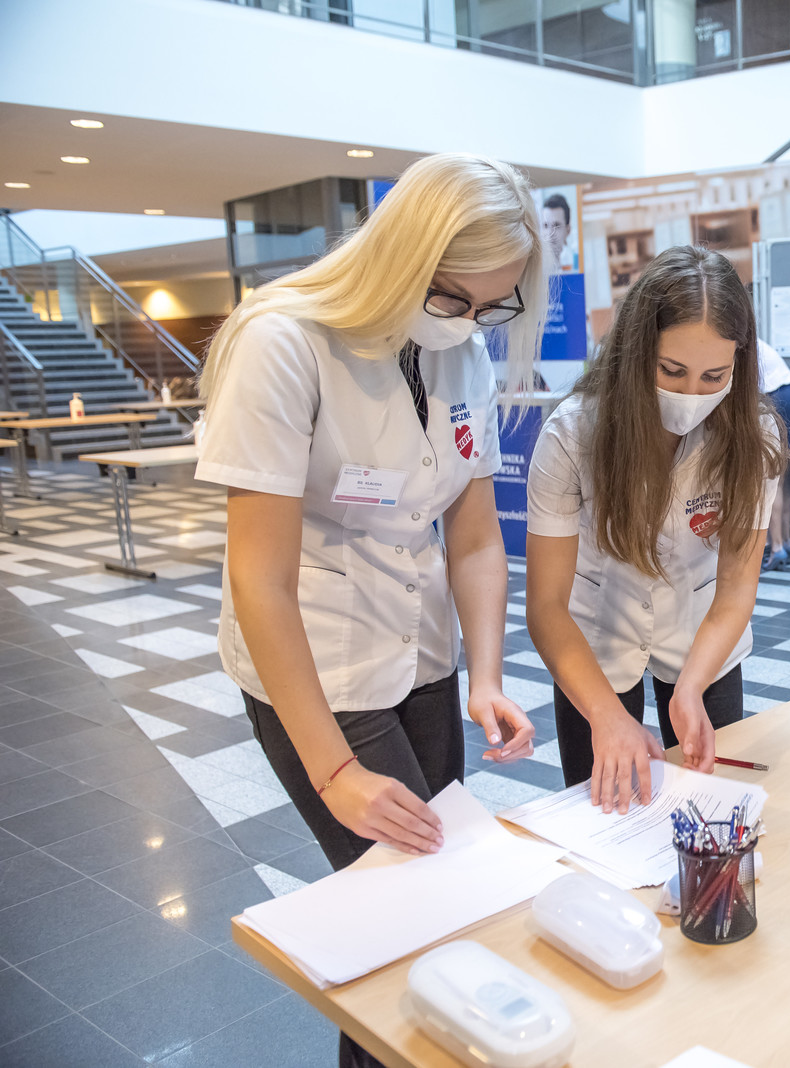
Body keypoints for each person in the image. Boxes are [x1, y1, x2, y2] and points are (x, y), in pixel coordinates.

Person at [197, 153, 546, 1068]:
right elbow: (258, 579)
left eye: (492, 306)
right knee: (406, 925)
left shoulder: (462, 351)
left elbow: (475, 535)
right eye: (452, 296)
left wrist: (487, 676)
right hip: (318, 660)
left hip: (422, 650)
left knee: (431, 913)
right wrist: (334, 772)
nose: (468, 321)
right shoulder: (282, 341)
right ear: (400, 256)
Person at [525, 246, 787, 813]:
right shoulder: (572, 434)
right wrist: (604, 716)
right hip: (594, 639)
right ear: (637, 350)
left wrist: (692, 686)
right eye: (671, 371)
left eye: (714, 376)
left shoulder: (754, 436)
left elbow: (736, 589)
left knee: (709, 808)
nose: (692, 395)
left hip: (703, 634)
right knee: (605, 810)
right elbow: (545, 606)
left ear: (740, 363)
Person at [756, 338, 790, 570]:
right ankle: (786, 540)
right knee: (785, 480)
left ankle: (776, 547)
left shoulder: (737, 342)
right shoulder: (758, 342)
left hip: (779, 400)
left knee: (771, 482)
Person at [541, 191, 580, 272]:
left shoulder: (575, 265)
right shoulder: (533, 267)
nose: (550, 233)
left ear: (568, 230)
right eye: (546, 226)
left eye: (556, 225)